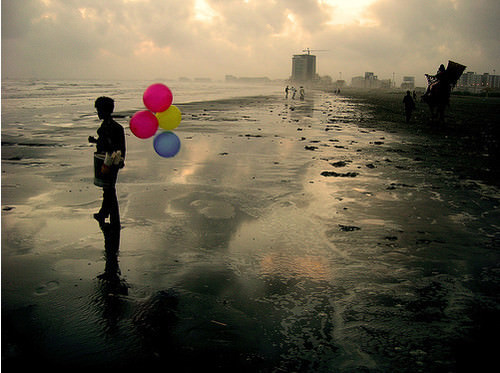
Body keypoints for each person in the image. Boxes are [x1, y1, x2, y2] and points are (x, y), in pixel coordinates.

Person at [89, 96, 126, 228]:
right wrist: (95, 141)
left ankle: (114, 218)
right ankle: (104, 213)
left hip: (109, 162)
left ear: (105, 111)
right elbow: (119, 146)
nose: (98, 113)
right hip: (110, 161)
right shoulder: (113, 126)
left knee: (109, 189)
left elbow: (114, 146)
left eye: (99, 110)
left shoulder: (110, 127)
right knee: (108, 189)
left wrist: (119, 160)